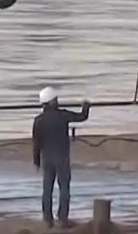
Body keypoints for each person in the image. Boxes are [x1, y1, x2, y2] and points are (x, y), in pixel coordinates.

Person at [31, 87, 91, 229]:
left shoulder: (38, 120)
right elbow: (82, 117)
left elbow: (36, 143)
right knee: (64, 187)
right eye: (56, 100)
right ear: (52, 101)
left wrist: (36, 161)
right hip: (61, 157)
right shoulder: (62, 115)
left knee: (47, 189)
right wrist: (86, 106)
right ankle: (62, 218)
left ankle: (47, 219)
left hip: (46, 158)